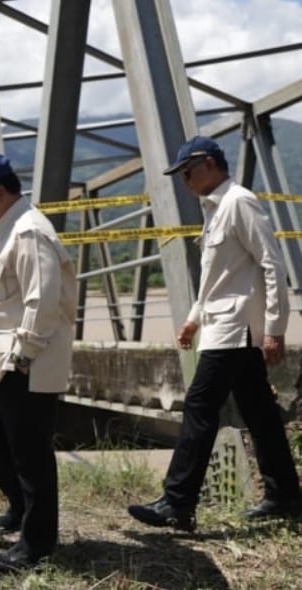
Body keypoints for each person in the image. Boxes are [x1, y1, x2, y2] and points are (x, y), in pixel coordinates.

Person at [128, 135, 301, 531]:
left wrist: (275, 328)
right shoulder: (215, 209)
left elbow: (272, 264)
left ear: (208, 164)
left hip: (235, 329)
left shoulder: (237, 202)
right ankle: (286, 495)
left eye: (187, 171)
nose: (184, 180)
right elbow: (217, 280)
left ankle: (177, 502)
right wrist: (193, 318)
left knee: (200, 408)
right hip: (222, 324)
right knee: (260, 414)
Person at [0, 152, 77, 573]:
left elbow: (42, 299)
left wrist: (23, 356)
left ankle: (37, 544)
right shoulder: (5, 230)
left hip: (22, 362)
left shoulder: (28, 231)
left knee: (31, 454)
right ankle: (22, 508)